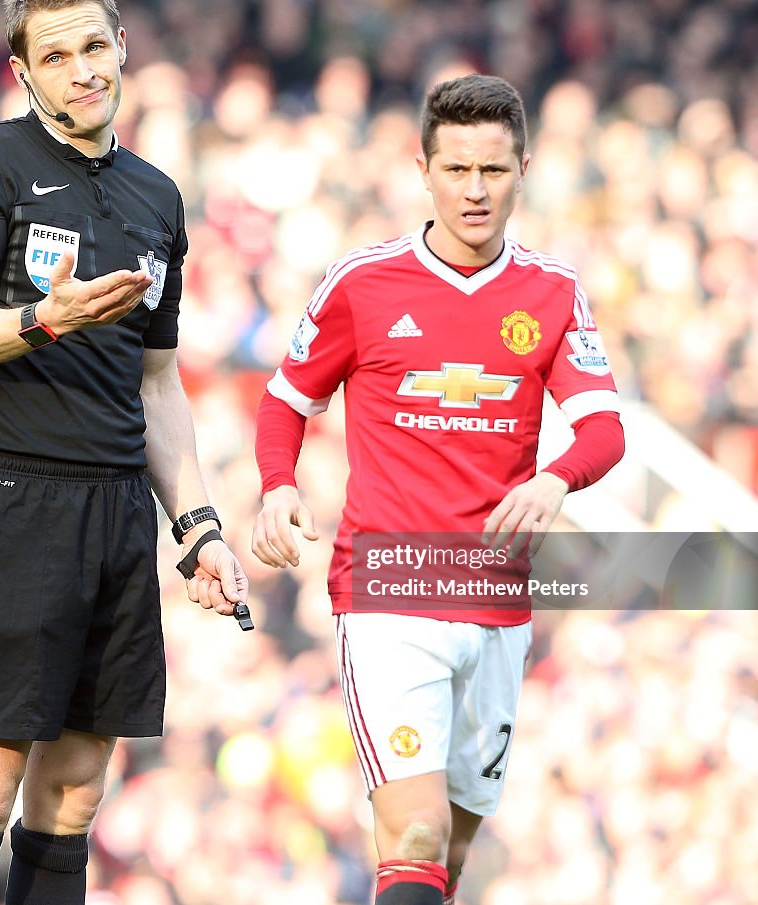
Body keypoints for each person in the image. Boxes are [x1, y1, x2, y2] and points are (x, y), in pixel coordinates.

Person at [0, 0, 247, 905]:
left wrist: (200, 524)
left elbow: (158, 382)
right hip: (10, 497)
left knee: (73, 792)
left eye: (94, 47)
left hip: (116, 514)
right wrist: (42, 319)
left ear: (123, 47)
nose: (81, 70)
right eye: (54, 56)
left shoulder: (156, 196)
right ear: (23, 70)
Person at [252, 74, 625, 905]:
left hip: (496, 603)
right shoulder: (363, 283)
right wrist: (277, 486)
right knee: (412, 835)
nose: (474, 190)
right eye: (456, 170)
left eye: (492, 171)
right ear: (423, 168)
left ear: (523, 168)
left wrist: (556, 478)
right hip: (389, 593)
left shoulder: (553, 292)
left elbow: (605, 428)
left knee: (447, 856)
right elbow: (285, 400)